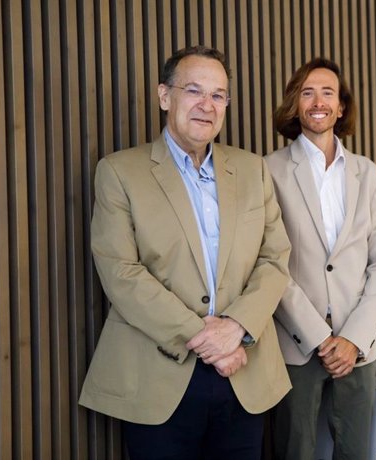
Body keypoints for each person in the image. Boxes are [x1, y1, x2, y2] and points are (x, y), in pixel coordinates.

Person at [79, 45, 292, 460]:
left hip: (242, 369)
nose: (207, 105)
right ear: (164, 97)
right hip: (158, 374)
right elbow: (121, 271)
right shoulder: (120, 171)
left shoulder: (252, 170)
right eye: (194, 90)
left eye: (218, 95)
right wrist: (205, 338)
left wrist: (235, 328)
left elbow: (275, 258)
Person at [266, 58, 376, 460]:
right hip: (295, 343)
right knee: (295, 452)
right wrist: (320, 338)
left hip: (358, 347)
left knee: (355, 453)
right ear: (295, 105)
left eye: (327, 92)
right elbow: (270, 263)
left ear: (341, 106)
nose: (317, 101)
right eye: (307, 92)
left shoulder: (369, 175)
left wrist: (353, 338)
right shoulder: (267, 172)